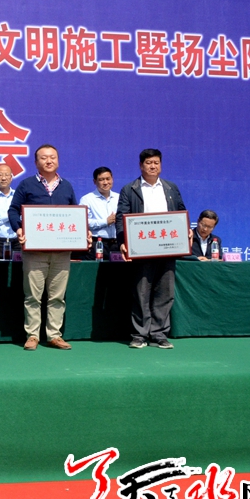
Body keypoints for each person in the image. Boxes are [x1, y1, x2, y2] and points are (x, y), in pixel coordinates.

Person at [9, 144, 87, 351]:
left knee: (57, 296)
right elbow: (13, 210)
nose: (49, 161)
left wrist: (83, 233)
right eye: (44, 158)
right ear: (36, 162)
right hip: (34, 252)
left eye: (52, 157)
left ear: (58, 161)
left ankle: (54, 335)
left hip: (61, 252)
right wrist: (19, 229)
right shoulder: (26, 184)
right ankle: (32, 335)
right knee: (32, 296)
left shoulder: (66, 186)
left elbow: (75, 215)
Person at [116, 148, 192, 349]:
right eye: (148, 163)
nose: (153, 166)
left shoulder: (170, 188)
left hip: (168, 247)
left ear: (161, 165)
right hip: (142, 248)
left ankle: (159, 334)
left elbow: (181, 211)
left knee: (165, 292)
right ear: (141, 166)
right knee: (141, 292)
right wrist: (123, 240)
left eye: (156, 162)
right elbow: (121, 217)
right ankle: (139, 335)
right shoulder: (130, 189)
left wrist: (186, 229)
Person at [78, 167, 119, 260]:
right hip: (97, 244)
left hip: (116, 244)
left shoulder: (119, 198)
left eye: (108, 179)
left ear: (112, 179)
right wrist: (105, 221)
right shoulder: (87, 199)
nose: (105, 182)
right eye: (101, 180)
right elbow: (83, 223)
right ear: (95, 182)